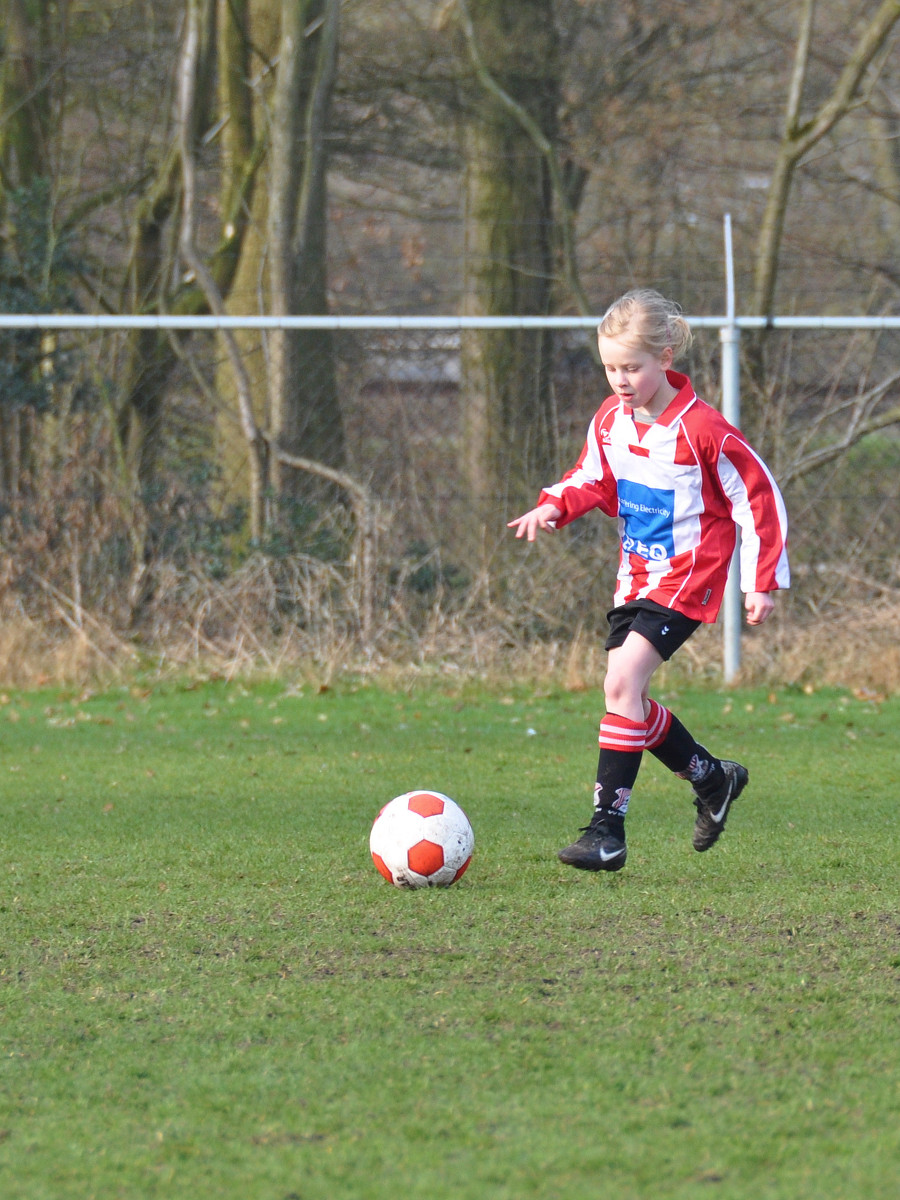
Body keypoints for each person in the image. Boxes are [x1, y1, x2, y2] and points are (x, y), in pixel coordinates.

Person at [508, 289, 789, 871]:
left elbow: (758, 498)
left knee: (621, 683)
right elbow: (592, 477)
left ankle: (607, 832)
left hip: (688, 577)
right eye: (611, 368)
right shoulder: (610, 419)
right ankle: (712, 779)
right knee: (626, 696)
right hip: (634, 578)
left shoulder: (703, 430)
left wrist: (760, 580)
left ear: (665, 357)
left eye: (632, 367)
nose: (621, 380)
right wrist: (554, 505)